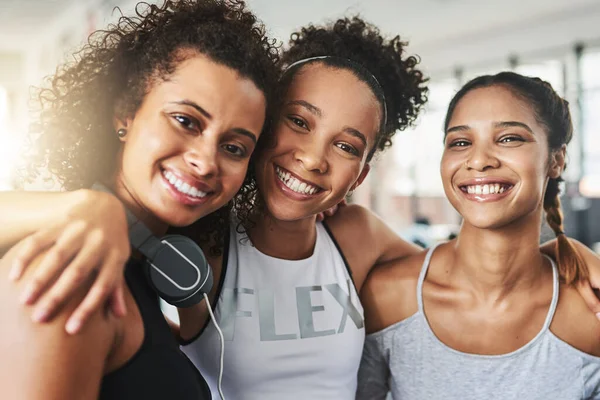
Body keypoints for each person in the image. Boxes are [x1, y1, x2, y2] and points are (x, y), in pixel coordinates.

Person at [3, 16, 600, 400]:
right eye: (298, 123)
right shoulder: (203, 238)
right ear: (263, 132)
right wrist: (81, 208)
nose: (314, 158)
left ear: (359, 175)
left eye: (345, 146)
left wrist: (564, 250)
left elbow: (465, 263)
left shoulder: (357, 238)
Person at [0, 0, 279, 398]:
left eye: (234, 148)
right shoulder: (72, 276)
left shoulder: (134, 277)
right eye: (186, 121)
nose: (205, 162)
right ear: (125, 115)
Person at [357, 72, 600, 399]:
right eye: (460, 142)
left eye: (509, 138)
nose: (479, 160)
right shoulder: (386, 298)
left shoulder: (589, 315)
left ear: (556, 160)